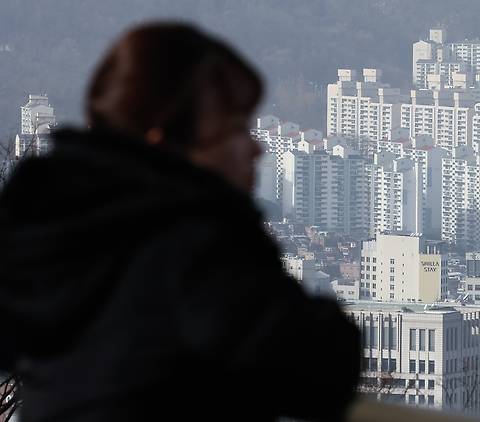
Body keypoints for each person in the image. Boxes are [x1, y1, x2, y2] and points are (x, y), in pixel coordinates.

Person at [0, 22, 361, 422]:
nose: (255, 147)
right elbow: (319, 369)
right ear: (165, 142)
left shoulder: (47, 229)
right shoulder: (194, 244)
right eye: (235, 129)